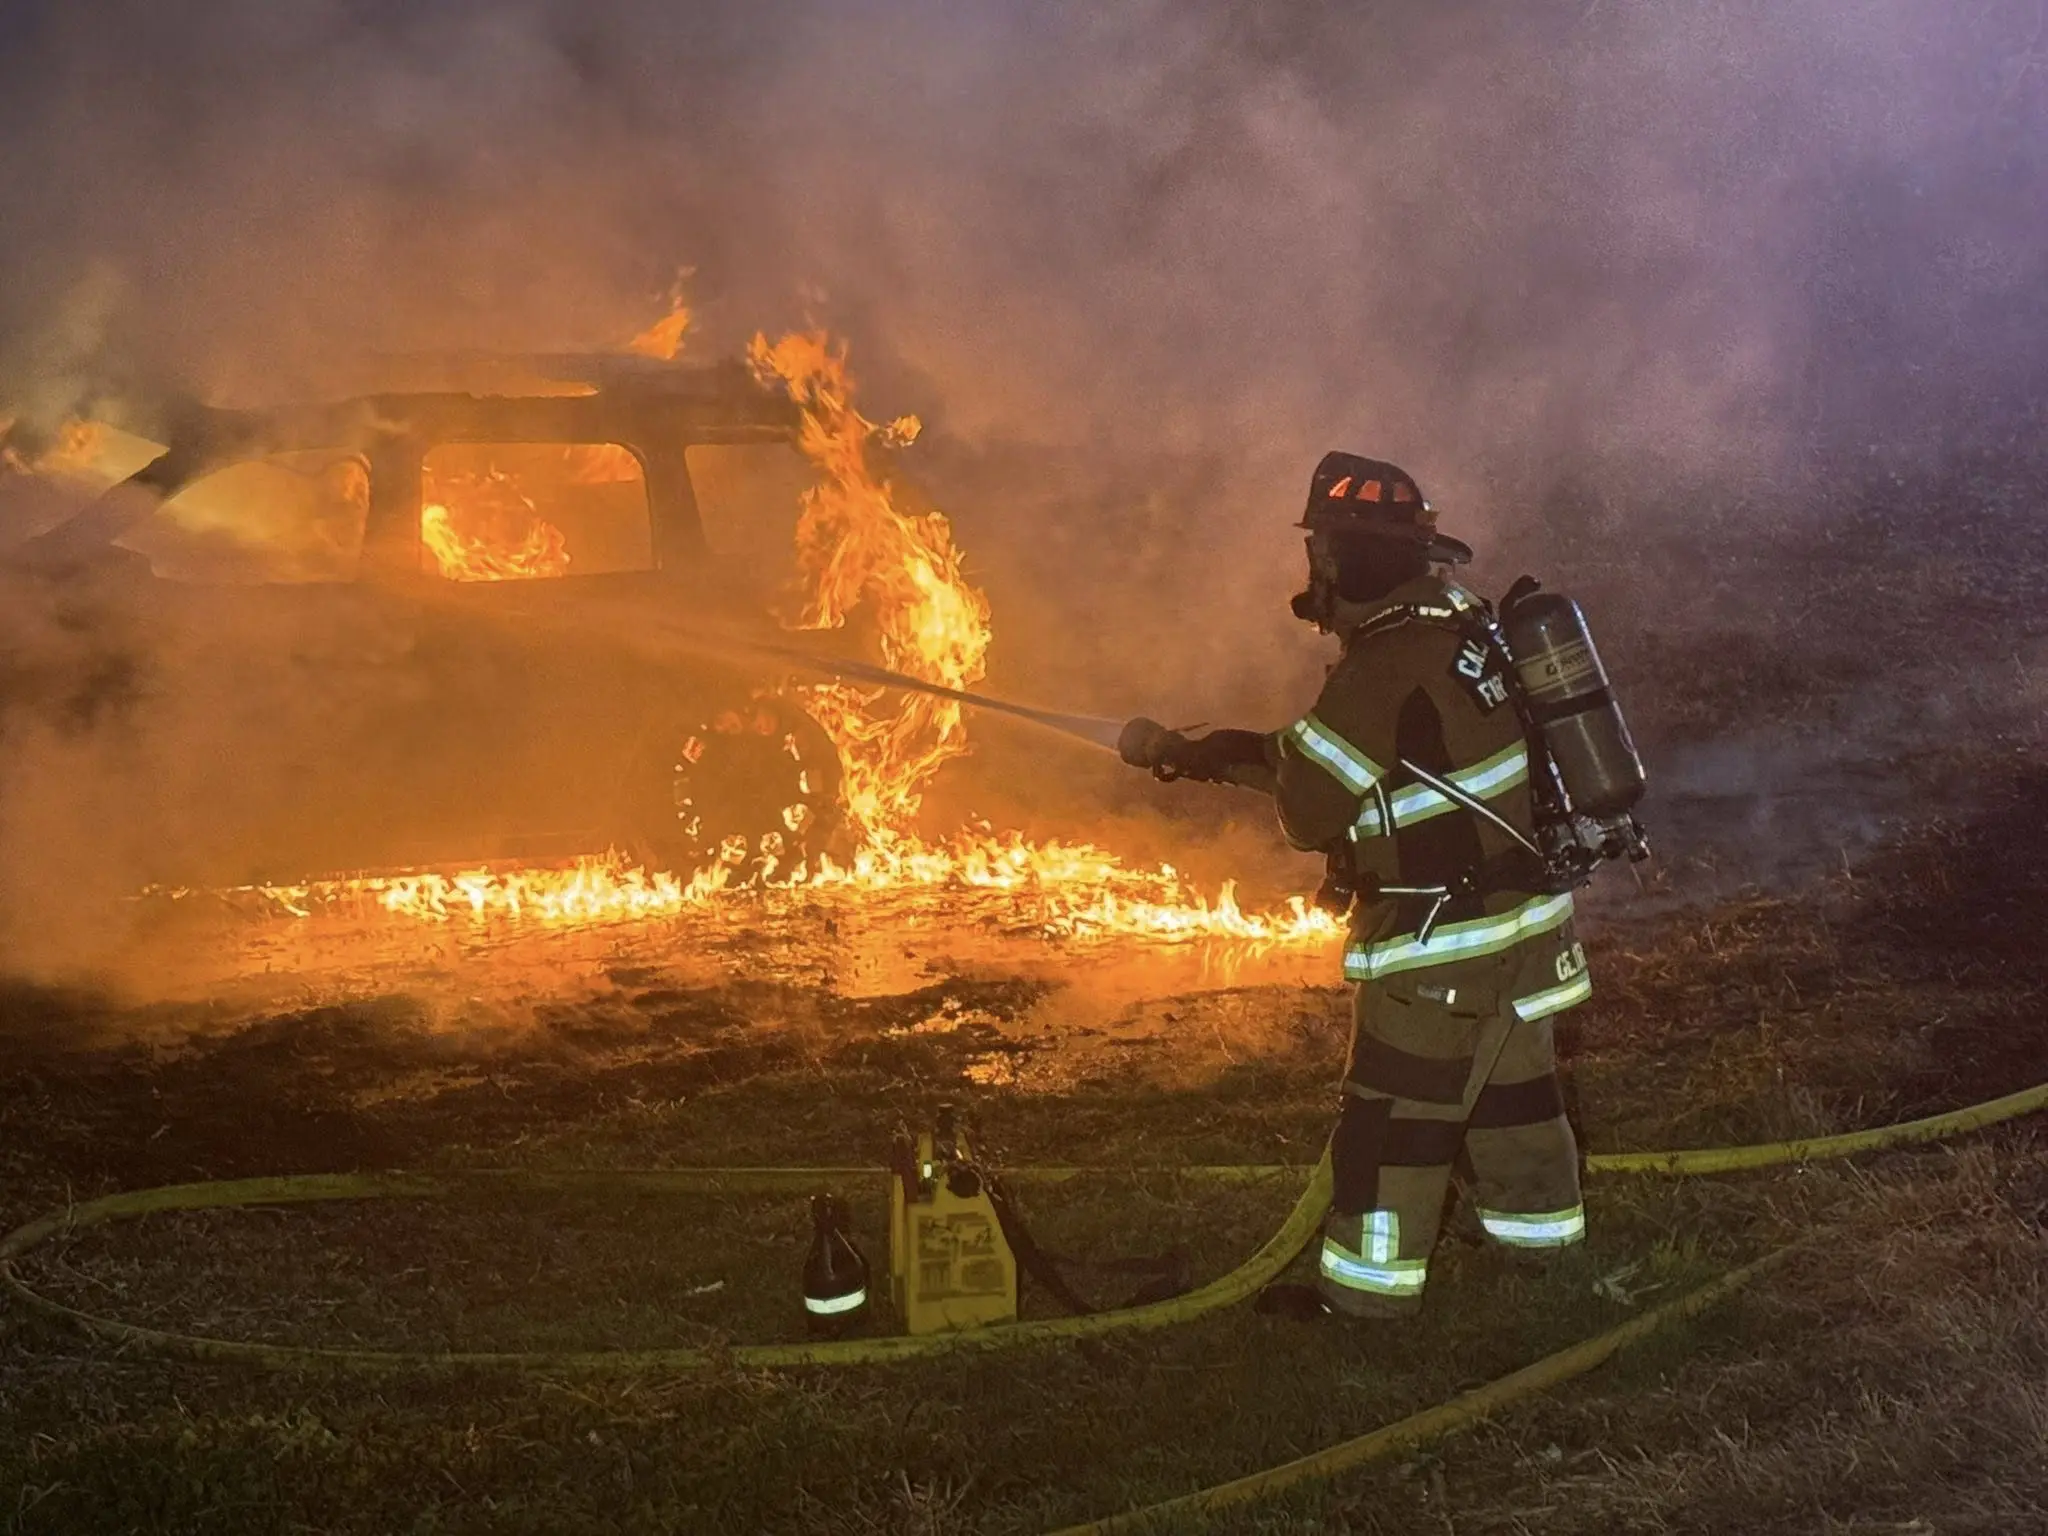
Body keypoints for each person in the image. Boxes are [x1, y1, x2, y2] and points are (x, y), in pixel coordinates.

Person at [1119, 452, 1592, 1319]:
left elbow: (1310, 811)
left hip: (1442, 952)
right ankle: (1546, 1262)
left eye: (1325, 553)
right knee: (1516, 1103)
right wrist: (1205, 754)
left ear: (1351, 560)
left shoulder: (1381, 666)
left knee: (1389, 1127)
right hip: (1527, 929)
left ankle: (1366, 1305)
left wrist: (1228, 759)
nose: (1317, 573)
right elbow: (1346, 756)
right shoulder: (1465, 625)